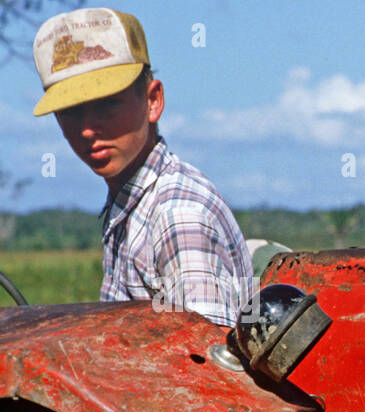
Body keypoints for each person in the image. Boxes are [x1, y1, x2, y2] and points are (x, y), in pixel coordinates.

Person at [32, 7, 252, 326]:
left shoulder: (178, 216)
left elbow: (205, 367)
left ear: (152, 101)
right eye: (70, 112)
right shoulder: (129, 204)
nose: (87, 129)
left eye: (107, 104)